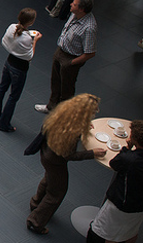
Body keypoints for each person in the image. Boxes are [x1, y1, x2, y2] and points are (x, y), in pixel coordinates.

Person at [27, 94, 106, 234]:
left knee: (49, 179)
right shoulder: (72, 131)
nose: (95, 113)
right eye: (93, 112)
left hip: (45, 154)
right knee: (56, 193)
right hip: (56, 162)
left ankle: (36, 203)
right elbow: (69, 155)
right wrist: (92, 153)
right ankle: (36, 221)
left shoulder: (62, 114)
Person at [35, 0, 97, 114]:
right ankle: (51, 106)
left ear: (81, 9)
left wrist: (71, 63)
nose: (70, 4)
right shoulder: (74, 14)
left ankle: (62, 114)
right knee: (55, 81)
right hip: (61, 51)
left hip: (71, 58)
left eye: (74, 4)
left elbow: (90, 53)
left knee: (67, 89)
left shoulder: (89, 28)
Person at [0, 8, 41, 132]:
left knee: (2, 88)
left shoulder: (12, 27)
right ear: (31, 22)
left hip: (9, 62)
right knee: (13, 96)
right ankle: (4, 124)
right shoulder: (27, 38)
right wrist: (35, 41)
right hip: (19, 68)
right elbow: (29, 56)